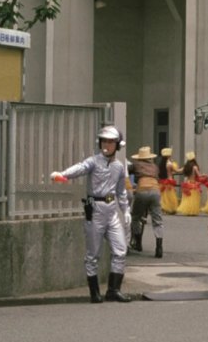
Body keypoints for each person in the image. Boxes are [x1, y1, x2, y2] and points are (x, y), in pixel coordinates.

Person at [51, 126, 131, 303]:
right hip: (94, 208)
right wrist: (63, 174)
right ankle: (94, 292)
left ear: (117, 145)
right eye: (104, 141)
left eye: (111, 142)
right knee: (92, 254)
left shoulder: (119, 166)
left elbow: (121, 191)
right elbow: (80, 168)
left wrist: (126, 210)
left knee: (120, 249)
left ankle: (114, 289)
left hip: (111, 210)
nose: (107, 145)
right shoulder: (94, 161)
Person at [129, 146, 164, 258]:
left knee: (135, 217)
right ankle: (159, 246)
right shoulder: (155, 166)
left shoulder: (136, 165)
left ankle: (138, 243)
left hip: (142, 191)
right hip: (155, 190)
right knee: (157, 219)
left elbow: (126, 171)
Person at [176, 152, 201, 216]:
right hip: (193, 184)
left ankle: (187, 210)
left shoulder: (186, 167)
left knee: (187, 198)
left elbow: (178, 171)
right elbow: (199, 176)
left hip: (187, 183)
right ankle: (192, 211)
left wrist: (174, 167)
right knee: (193, 199)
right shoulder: (195, 167)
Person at [159, 148, 181, 214]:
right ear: (169, 156)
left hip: (163, 181)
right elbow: (177, 171)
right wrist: (184, 168)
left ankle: (165, 208)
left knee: (164, 196)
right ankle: (170, 209)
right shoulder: (169, 164)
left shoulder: (161, 164)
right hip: (169, 181)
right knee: (170, 197)